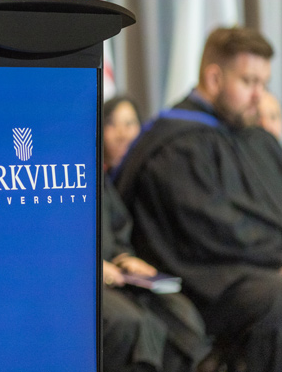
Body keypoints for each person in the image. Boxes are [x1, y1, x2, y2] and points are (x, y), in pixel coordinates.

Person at [115, 27, 282, 371]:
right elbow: (215, 235)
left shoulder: (254, 138)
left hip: (257, 272)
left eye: (263, 83)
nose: (259, 96)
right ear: (214, 77)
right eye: (249, 82)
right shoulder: (176, 147)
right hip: (209, 287)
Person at [100, 97, 210, 372]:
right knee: (134, 324)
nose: (123, 133)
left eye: (130, 123)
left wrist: (124, 255)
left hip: (119, 272)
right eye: (111, 124)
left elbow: (117, 225)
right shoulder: (71, 174)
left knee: (179, 312)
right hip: (87, 278)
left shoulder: (108, 178)